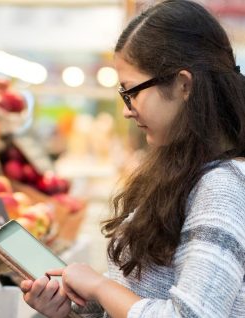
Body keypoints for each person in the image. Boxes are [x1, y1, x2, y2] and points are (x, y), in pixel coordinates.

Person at [20, 1, 245, 317]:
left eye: (131, 91)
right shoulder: (180, 170)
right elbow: (145, 299)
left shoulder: (221, 187)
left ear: (183, 85)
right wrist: (73, 311)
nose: (127, 108)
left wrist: (99, 286)